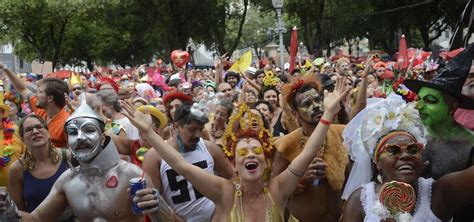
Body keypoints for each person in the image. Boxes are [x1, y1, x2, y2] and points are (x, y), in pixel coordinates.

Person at [123, 77, 349, 221]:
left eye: (256, 151)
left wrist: (328, 114)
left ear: (265, 160)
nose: (250, 154)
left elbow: (308, 151)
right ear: (233, 163)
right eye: (242, 152)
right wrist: (150, 134)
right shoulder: (224, 192)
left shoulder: (278, 189)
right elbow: (181, 165)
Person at [0, 94, 175, 221]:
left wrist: (158, 206)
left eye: (89, 130)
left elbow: (168, 220)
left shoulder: (131, 174)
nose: (81, 138)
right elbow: (37, 219)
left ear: (102, 137)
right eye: (73, 133)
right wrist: (10, 211)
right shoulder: (67, 181)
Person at [341, 94, 474, 222]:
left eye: (413, 149)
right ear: (377, 162)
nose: (405, 155)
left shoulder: (440, 194)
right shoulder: (361, 200)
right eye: (393, 150)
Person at [272, 74, 350, 222]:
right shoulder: (286, 144)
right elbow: (274, 192)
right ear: (295, 114)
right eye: (307, 104)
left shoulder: (343, 134)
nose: (315, 106)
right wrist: (299, 179)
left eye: (317, 100)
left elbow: (352, 181)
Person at [140, 103, 234, 221]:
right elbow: (154, 199)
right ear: (176, 126)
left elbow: (232, 179)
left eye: (200, 129)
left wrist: (221, 210)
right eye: (192, 129)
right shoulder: (154, 156)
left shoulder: (211, 149)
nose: (198, 135)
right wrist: (174, 218)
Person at [8, 115, 73, 221]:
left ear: (48, 132)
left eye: (39, 127)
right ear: (22, 139)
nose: (35, 131)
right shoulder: (16, 170)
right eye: (28, 130)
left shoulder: (68, 157)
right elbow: (19, 212)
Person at [1, 63, 70, 148]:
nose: (36, 95)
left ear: (50, 98)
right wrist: (5, 67)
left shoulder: (67, 124)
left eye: (40, 92)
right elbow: (22, 89)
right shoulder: (42, 110)